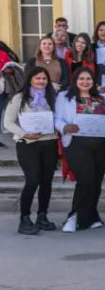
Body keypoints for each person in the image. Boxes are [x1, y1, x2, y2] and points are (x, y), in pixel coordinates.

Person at [55, 68, 105, 232]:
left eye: (88, 79)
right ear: (75, 80)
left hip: (100, 144)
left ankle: (90, 216)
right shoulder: (64, 97)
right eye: (81, 78)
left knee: (96, 182)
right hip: (76, 143)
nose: (85, 82)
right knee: (86, 180)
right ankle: (73, 216)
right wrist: (65, 127)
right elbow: (57, 118)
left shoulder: (101, 97)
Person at [4, 67, 59, 234]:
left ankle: (42, 216)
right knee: (33, 179)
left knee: (46, 182)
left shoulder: (53, 97)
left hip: (49, 143)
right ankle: (25, 218)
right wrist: (25, 133)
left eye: (44, 78)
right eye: (38, 78)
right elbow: (8, 123)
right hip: (27, 144)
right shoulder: (19, 98)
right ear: (29, 79)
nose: (41, 81)